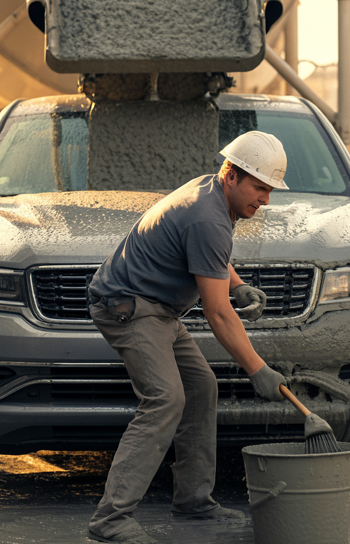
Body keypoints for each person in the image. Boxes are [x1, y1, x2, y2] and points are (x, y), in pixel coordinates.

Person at [85, 131, 290, 543]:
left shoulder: (212, 192)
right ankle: (110, 520)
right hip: (129, 307)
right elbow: (217, 314)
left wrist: (237, 284)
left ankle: (194, 502)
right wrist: (258, 370)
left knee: (200, 387)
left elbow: (209, 257)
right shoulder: (207, 215)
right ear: (232, 175)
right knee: (165, 399)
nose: (266, 199)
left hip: (157, 307)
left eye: (270, 191)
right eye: (260, 188)